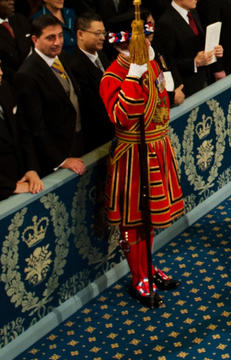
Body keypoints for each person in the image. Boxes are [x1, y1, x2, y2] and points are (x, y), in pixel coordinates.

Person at [100, 10, 184, 307]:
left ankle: (148, 267)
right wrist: (134, 76)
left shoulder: (151, 62)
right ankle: (139, 279)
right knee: (133, 220)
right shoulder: (112, 77)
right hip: (132, 155)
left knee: (149, 219)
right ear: (126, 43)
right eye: (144, 36)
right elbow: (123, 116)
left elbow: (162, 98)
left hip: (156, 146)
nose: (150, 39)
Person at [15, 14, 85, 177]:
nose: (58, 42)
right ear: (35, 39)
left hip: (78, 141)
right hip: (55, 158)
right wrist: (61, 160)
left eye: (60, 36)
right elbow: (35, 126)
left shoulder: (62, 57)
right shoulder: (27, 74)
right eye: (50, 38)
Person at [153, 0, 224, 97]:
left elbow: (198, 44)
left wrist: (214, 50)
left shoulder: (193, 12)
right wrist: (194, 63)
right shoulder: (165, 23)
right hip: (187, 89)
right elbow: (167, 63)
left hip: (205, 79)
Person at [68, 11, 114, 152]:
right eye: (97, 33)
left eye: (104, 33)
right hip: (97, 137)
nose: (102, 38)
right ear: (80, 34)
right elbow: (92, 106)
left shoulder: (101, 54)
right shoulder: (75, 65)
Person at [0, 62, 44, 200]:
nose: (1, 73)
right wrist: (9, 187)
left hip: (21, 175)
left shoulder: (5, 87)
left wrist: (31, 168)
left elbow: (23, 130)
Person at [0, 0, 32, 85]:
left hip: (32, 76)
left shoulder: (21, 19)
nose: (12, 2)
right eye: (6, 0)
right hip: (9, 83)